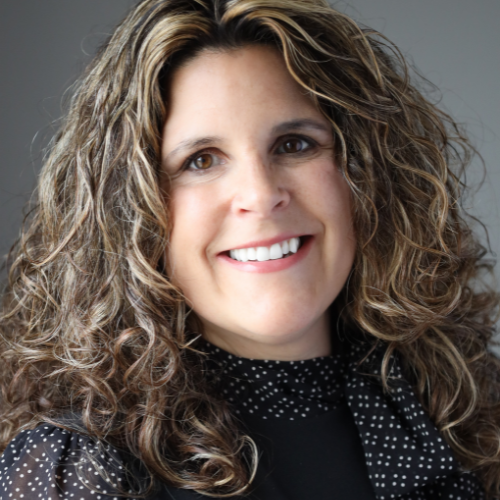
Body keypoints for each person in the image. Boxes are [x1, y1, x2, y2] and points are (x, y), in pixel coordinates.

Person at [0, 0, 499, 498]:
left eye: (294, 145)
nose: (261, 195)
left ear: (368, 174)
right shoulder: (84, 468)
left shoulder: (462, 412)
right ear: (127, 212)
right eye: (201, 160)